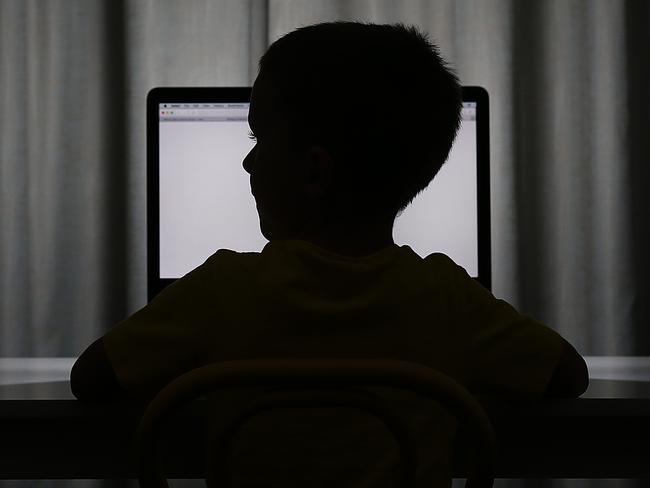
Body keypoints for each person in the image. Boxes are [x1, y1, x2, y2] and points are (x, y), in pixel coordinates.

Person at [71, 21, 588, 487]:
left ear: (315, 171)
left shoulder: (220, 289)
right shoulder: (447, 298)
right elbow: (567, 374)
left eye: (258, 136)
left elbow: (92, 378)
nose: (248, 162)